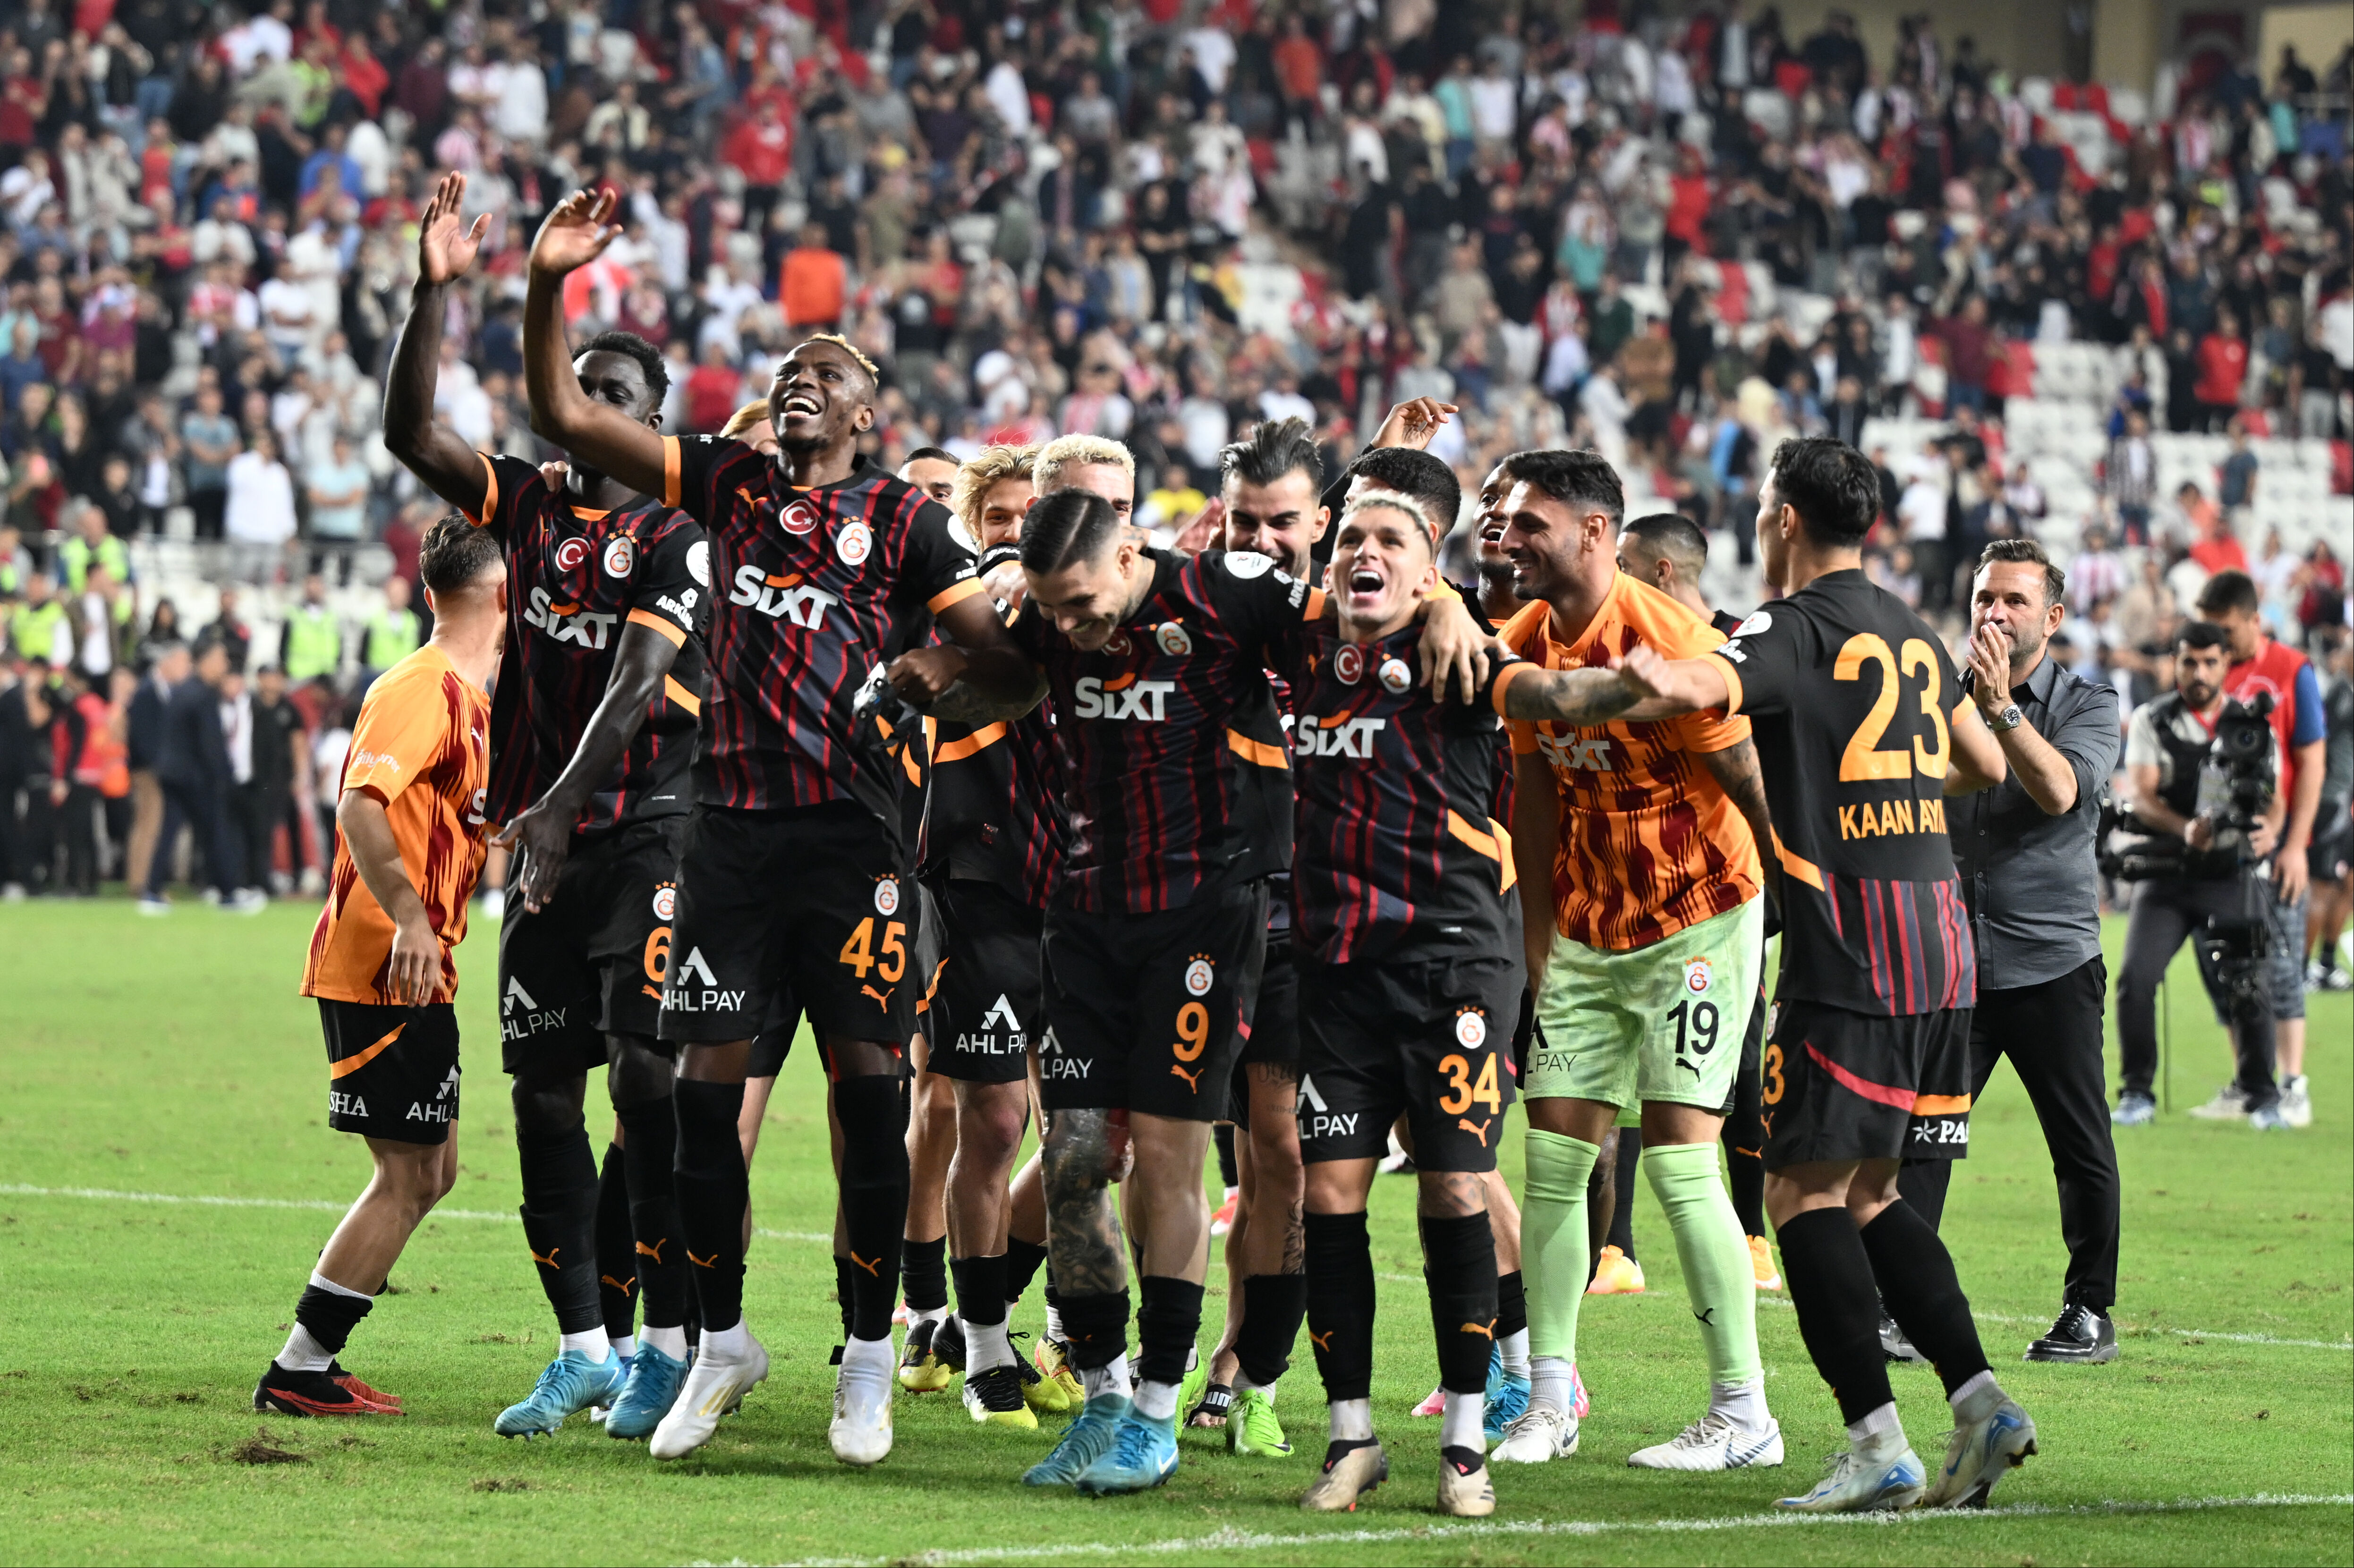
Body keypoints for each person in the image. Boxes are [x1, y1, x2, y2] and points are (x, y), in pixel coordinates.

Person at [522, 188, 1041, 1469]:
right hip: (730, 841)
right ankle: (725, 1343)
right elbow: (565, 416)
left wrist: (935, 676)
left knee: (869, 1104)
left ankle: (867, 1359)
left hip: (857, 845)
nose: (795, 385)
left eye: (823, 376)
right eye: (786, 371)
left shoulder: (910, 525)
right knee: (702, 1106)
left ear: (870, 417)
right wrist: (548, 284)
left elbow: (1015, 672)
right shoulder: (734, 486)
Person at [976, 488, 1483, 1496]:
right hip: (1081, 917)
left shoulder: (1223, 594)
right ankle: (1106, 1395)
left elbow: (1355, 608)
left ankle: (1159, 1412)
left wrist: (1451, 605)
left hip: (1204, 920)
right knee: (1073, 1158)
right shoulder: (1037, 610)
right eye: (1052, 609)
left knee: (1170, 1158)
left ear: (1129, 549)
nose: (1069, 628)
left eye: (1081, 603)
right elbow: (992, 659)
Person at [1616, 435, 2029, 1514]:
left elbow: (1708, 677)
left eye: (1761, 508)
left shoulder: (1790, 627)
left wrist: (1655, 670)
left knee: (1796, 1194)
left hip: (1848, 946)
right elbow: (1983, 766)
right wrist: (1882, 783)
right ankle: (1984, 1404)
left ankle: (1875, 1443)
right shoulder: (1906, 623)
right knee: (1869, 1191)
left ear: (1785, 519)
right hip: (1935, 936)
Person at [384, 172, 710, 1442]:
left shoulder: (681, 529)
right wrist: (432, 294)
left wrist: (557, 814)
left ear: (651, 420)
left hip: (647, 834)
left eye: (614, 399)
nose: (589, 417)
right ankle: (583, 1344)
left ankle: (672, 1341)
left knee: (646, 1076)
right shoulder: (523, 502)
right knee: (540, 1094)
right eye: (578, 392)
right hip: (542, 839)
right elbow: (414, 433)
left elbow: (634, 687)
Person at [1289, 492, 1652, 1515]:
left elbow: (1548, 695)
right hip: (1334, 970)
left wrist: (1636, 688)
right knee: (1329, 1197)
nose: (1365, 554)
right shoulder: (1296, 651)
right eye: (1349, 541)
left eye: (1391, 543)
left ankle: (1461, 1438)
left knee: (1452, 1190)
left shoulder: (1461, 657)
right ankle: (1349, 1435)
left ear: (1426, 571)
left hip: (1451, 964)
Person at [1486, 455, 1780, 1475]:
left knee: (1680, 1158)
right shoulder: (1519, 649)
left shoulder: (1668, 642)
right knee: (1556, 1161)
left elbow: (1742, 774)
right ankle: (1548, 1400)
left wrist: (1788, 896)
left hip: (1699, 917)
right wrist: (1537, 945)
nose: (1507, 535)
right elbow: (1529, 802)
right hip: (1585, 927)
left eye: (1529, 521)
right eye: (1502, 519)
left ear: (1596, 532)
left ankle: (1743, 1409)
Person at [252, 514, 504, 1418]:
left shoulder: (471, 697)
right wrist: (408, 916)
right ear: (498, 593)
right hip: (383, 958)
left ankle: (310, 1362)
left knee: (432, 1171)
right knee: (408, 1175)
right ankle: (299, 1368)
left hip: (419, 959)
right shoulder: (421, 686)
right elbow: (361, 805)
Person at [1893, 540, 2124, 1363]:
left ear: (2053, 618)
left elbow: (2060, 790)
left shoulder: (2092, 705)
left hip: (2052, 963)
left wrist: (2001, 712)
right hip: (1953, 958)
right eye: (1985, 597)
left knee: (2079, 1143)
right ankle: (1906, 1308)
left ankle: (2089, 1312)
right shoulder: (1930, 699)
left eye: (2014, 601)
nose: (1994, 612)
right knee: (1925, 1140)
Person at [896, 441, 1073, 1427]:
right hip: (977, 888)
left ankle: (1007, 1319)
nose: (1012, 530)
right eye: (994, 515)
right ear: (970, 525)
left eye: (1027, 513)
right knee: (988, 1120)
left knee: (1093, 1141)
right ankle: (982, 1352)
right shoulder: (954, 603)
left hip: (1080, 895)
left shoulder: (1076, 613)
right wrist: (998, 574)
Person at [1615, 510, 1778, 1292]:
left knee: (1741, 1065)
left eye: (1624, 563)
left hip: (1726, 887)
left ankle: (1751, 1234)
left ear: (1662, 574)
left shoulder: (1743, 648)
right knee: (1614, 1074)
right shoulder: (1614, 641)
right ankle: (1617, 1247)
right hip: (1626, 891)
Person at [2113, 622, 2294, 1130]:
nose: (2198, 672)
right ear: (2175, 662)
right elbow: (2143, 795)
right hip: (2166, 872)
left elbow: (2275, 797)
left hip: (2230, 873)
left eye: (2209, 662)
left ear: (2225, 664)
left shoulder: (2251, 726)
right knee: (2135, 979)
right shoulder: (2153, 717)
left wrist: (2270, 833)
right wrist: (2184, 827)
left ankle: (2262, 1097)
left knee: (2248, 982)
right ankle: (2136, 1094)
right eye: (2188, 661)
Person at [2191, 570, 2327, 1128]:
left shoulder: (2292, 670)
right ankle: (2248, 1080)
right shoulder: (2207, 670)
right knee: (2218, 965)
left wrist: (2296, 845)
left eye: (2225, 630)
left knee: (2277, 965)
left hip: (2274, 848)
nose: (2215, 643)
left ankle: (2293, 1085)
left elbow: (2311, 760)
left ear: (2253, 619)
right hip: (2215, 848)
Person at [142, 637, 257, 914]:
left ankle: (152, 891)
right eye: (221, 659)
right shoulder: (203, 694)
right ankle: (228, 894)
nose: (225, 665)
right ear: (206, 660)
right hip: (194, 778)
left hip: (172, 773)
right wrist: (226, 777)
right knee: (216, 832)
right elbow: (212, 744)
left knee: (169, 832)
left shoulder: (183, 690)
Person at [2305, 627, 2353, 992]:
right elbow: (2317, 745)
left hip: (2345, 802)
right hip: (2331, 802)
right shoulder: (2339, 695)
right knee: (2321, 886)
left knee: (2347, 885)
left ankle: (2325, 962)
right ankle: (2302, 969)